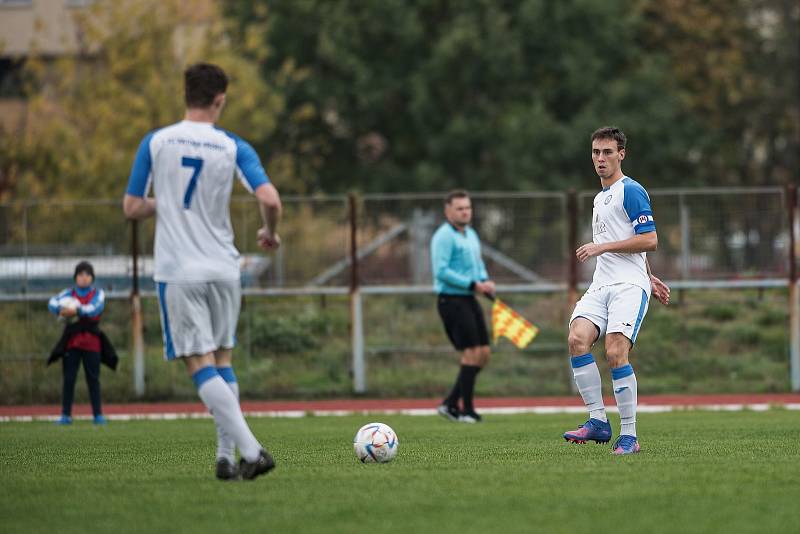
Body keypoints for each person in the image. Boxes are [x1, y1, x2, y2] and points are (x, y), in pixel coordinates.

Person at [123, 63, 282, 480]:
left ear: (185, 95)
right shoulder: (232, 146)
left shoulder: (156, 142)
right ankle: (226, 458)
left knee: (199, 363)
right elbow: (271, 198)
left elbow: (132, 207)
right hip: (224, 268)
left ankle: (251, 450)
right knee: (223, 359)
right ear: (220, 99)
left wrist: (166, 204)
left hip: (180, 270)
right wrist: (269, 230)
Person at [563, 126, 670, 455]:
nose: (600, 159)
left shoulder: (631, 190)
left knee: (614, 353)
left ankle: (629, 436)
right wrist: (651, 275)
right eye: (596, 152)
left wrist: (603, 248)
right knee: (577, 339)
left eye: (608, 152)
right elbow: (634, 244)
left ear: (621, 154)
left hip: (627, 287)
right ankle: (597, 421)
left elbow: (650, 240)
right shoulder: (599, 198)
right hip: (601, 285)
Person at [431, 190, 496, 423]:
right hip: (451, 300)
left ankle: (449, 403)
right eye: (459, 208)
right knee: (471, 352)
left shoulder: (471, 234)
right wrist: (473, 284)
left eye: (467, 207)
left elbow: (477, 265)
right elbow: (441, 271)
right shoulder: (443, 237)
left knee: (484, 353)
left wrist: (485, 281)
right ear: (448, 211)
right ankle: (466, 410)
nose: (465, 212)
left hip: (469, 298)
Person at [47, 261, 108, 425]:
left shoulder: (98, 293)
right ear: (76, 277)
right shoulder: (68, 294)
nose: (84, 278)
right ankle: (66, 415)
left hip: (92, 343)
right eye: (81, 274)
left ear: (92, 277)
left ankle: (98, 415)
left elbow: (95, 308)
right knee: (69, 379)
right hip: (72, 343)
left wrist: (77, 310)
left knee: (93, 379)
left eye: (87, 274)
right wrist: (61, 310)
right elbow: (51, 303)